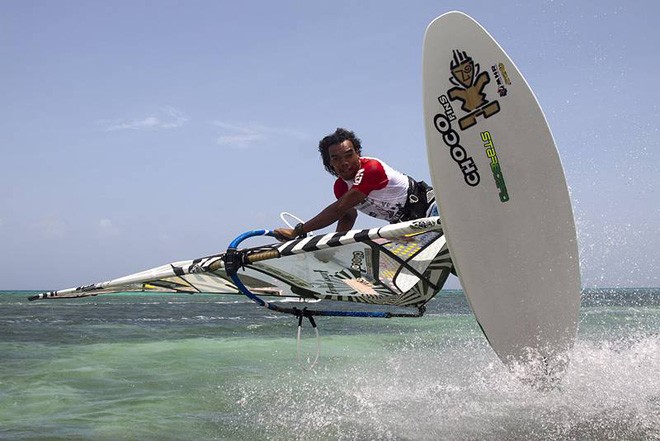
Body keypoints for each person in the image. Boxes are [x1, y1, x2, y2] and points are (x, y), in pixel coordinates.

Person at [274, 128, 438, 240]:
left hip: (432, 210)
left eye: (349, 155)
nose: (344, 162)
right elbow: (347, 215)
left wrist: (297, 231)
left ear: (358, 153)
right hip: (408, 227)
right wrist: (333, 246)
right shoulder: (340, 188)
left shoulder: (372, 169)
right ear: (329, 163)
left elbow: (338, 208)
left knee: (459, 255)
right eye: (336, 158)